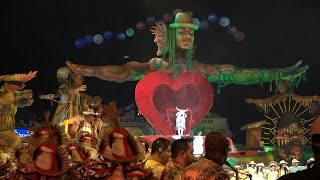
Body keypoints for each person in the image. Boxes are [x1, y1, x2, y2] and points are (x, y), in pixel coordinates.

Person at [66, 12, 308, 93]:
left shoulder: (199, 69)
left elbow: (237, 73)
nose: (187, 36)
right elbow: (123, 72)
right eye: (182, 32)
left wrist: (277, 74)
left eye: (191, 33)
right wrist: (91, 70)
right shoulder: (157, 66)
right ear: (172, 36)